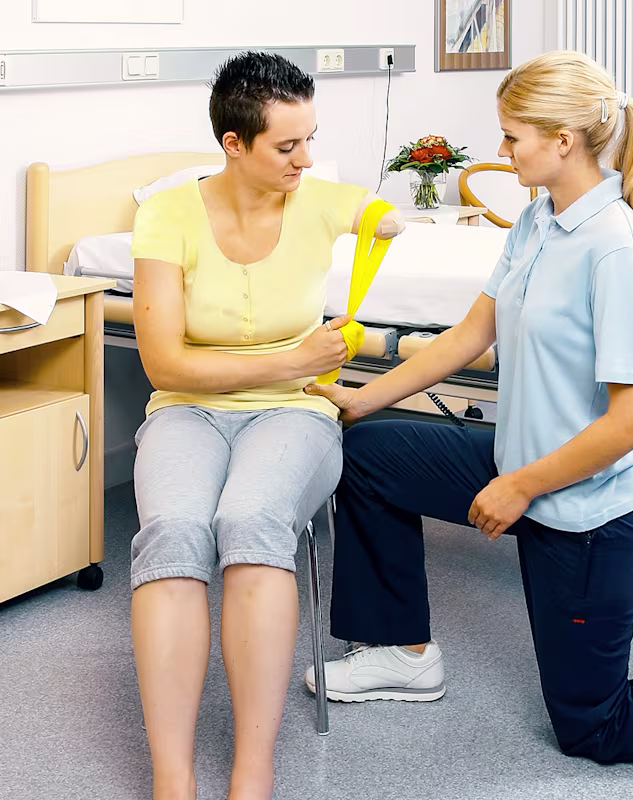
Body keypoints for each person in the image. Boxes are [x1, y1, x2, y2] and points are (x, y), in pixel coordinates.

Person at [304, 51, 633, 770]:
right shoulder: (539, 220)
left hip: (586, 515)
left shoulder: (616, 250)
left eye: (512, 137)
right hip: (518, 466)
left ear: (562, 141)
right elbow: (473, 334)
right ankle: (400, 653)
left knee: (594, 726)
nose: (503, 154)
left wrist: (521, 487)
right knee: (373, 455)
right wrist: (363, 398)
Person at [130, 51, 404, 800]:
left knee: (250, 521)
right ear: (233, 144)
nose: (305, 159)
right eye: (289, 146)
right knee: (175, 532)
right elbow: (166, 367)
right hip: (186, 412)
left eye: (311, 138)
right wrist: (296, 355)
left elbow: (374, 212)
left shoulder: (315, 198)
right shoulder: (166, 214)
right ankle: (172, 777)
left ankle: (254, 769)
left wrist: (389, 219)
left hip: (297, 412)